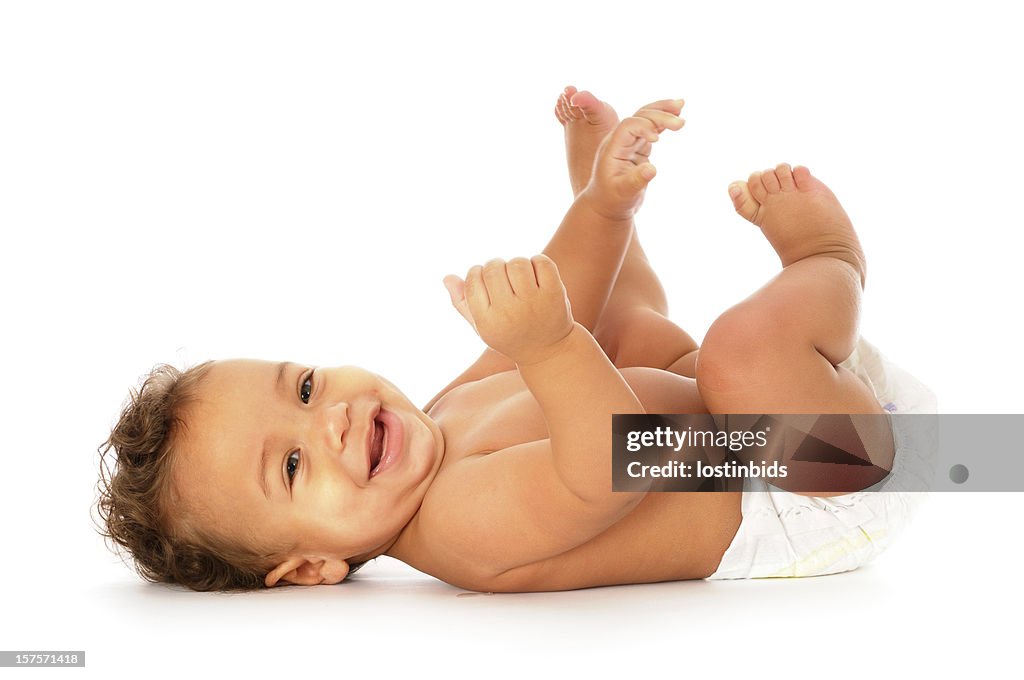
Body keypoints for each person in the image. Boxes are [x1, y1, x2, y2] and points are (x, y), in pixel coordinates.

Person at [96, 86, 916, 592]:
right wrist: (552, 343)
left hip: (754, 420)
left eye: (305, 388)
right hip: (818, 483)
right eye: (293, 464)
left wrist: (599, 211)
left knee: (613, 327)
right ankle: (827, 259)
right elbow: (614, 464)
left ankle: (613, 202)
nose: (330, 420)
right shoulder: (459, 530)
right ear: (311, 567)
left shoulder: (441, 418)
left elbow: (563, 296)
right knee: (725, 353)